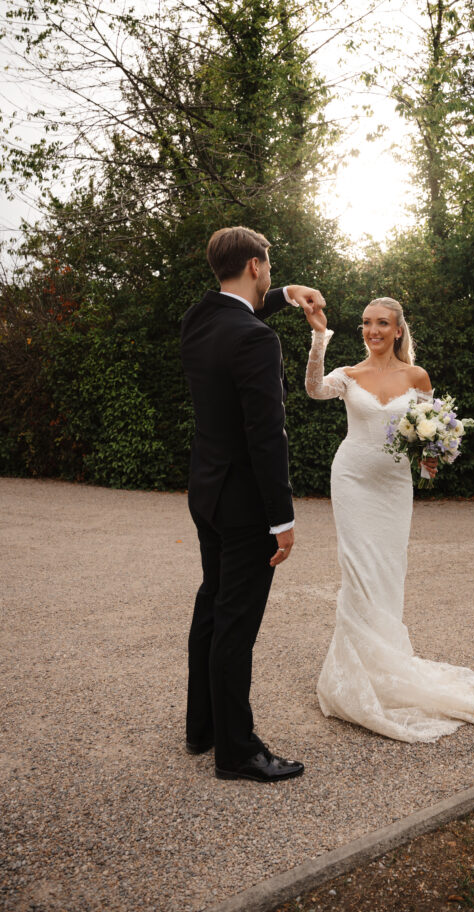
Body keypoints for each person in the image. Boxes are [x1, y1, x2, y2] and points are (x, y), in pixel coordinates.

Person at [305, 297, 474, 742]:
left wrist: (431, 461)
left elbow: (430, 429)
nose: (372, 330)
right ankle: (355, 676)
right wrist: (318, 336)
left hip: (393, 488)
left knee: (388, 572)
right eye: (366, 323)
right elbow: (312, 389)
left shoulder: (416, 377)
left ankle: (387, 667)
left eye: (381, 323)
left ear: (398, 330)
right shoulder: (349, 376)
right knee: (357, 571)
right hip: (351, 480)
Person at [181, 225, 325, 782]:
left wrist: (285, 296)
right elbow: (268, 436)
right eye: (268, 265)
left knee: (211, 605)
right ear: (255, 266)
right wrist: (281, 519)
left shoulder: (199, 320)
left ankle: (203, 728)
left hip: (206, 490)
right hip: (244, 506)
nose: (269, 270)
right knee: (236, 623)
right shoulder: (256, 341)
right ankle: (238, 751)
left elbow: (237, 320)